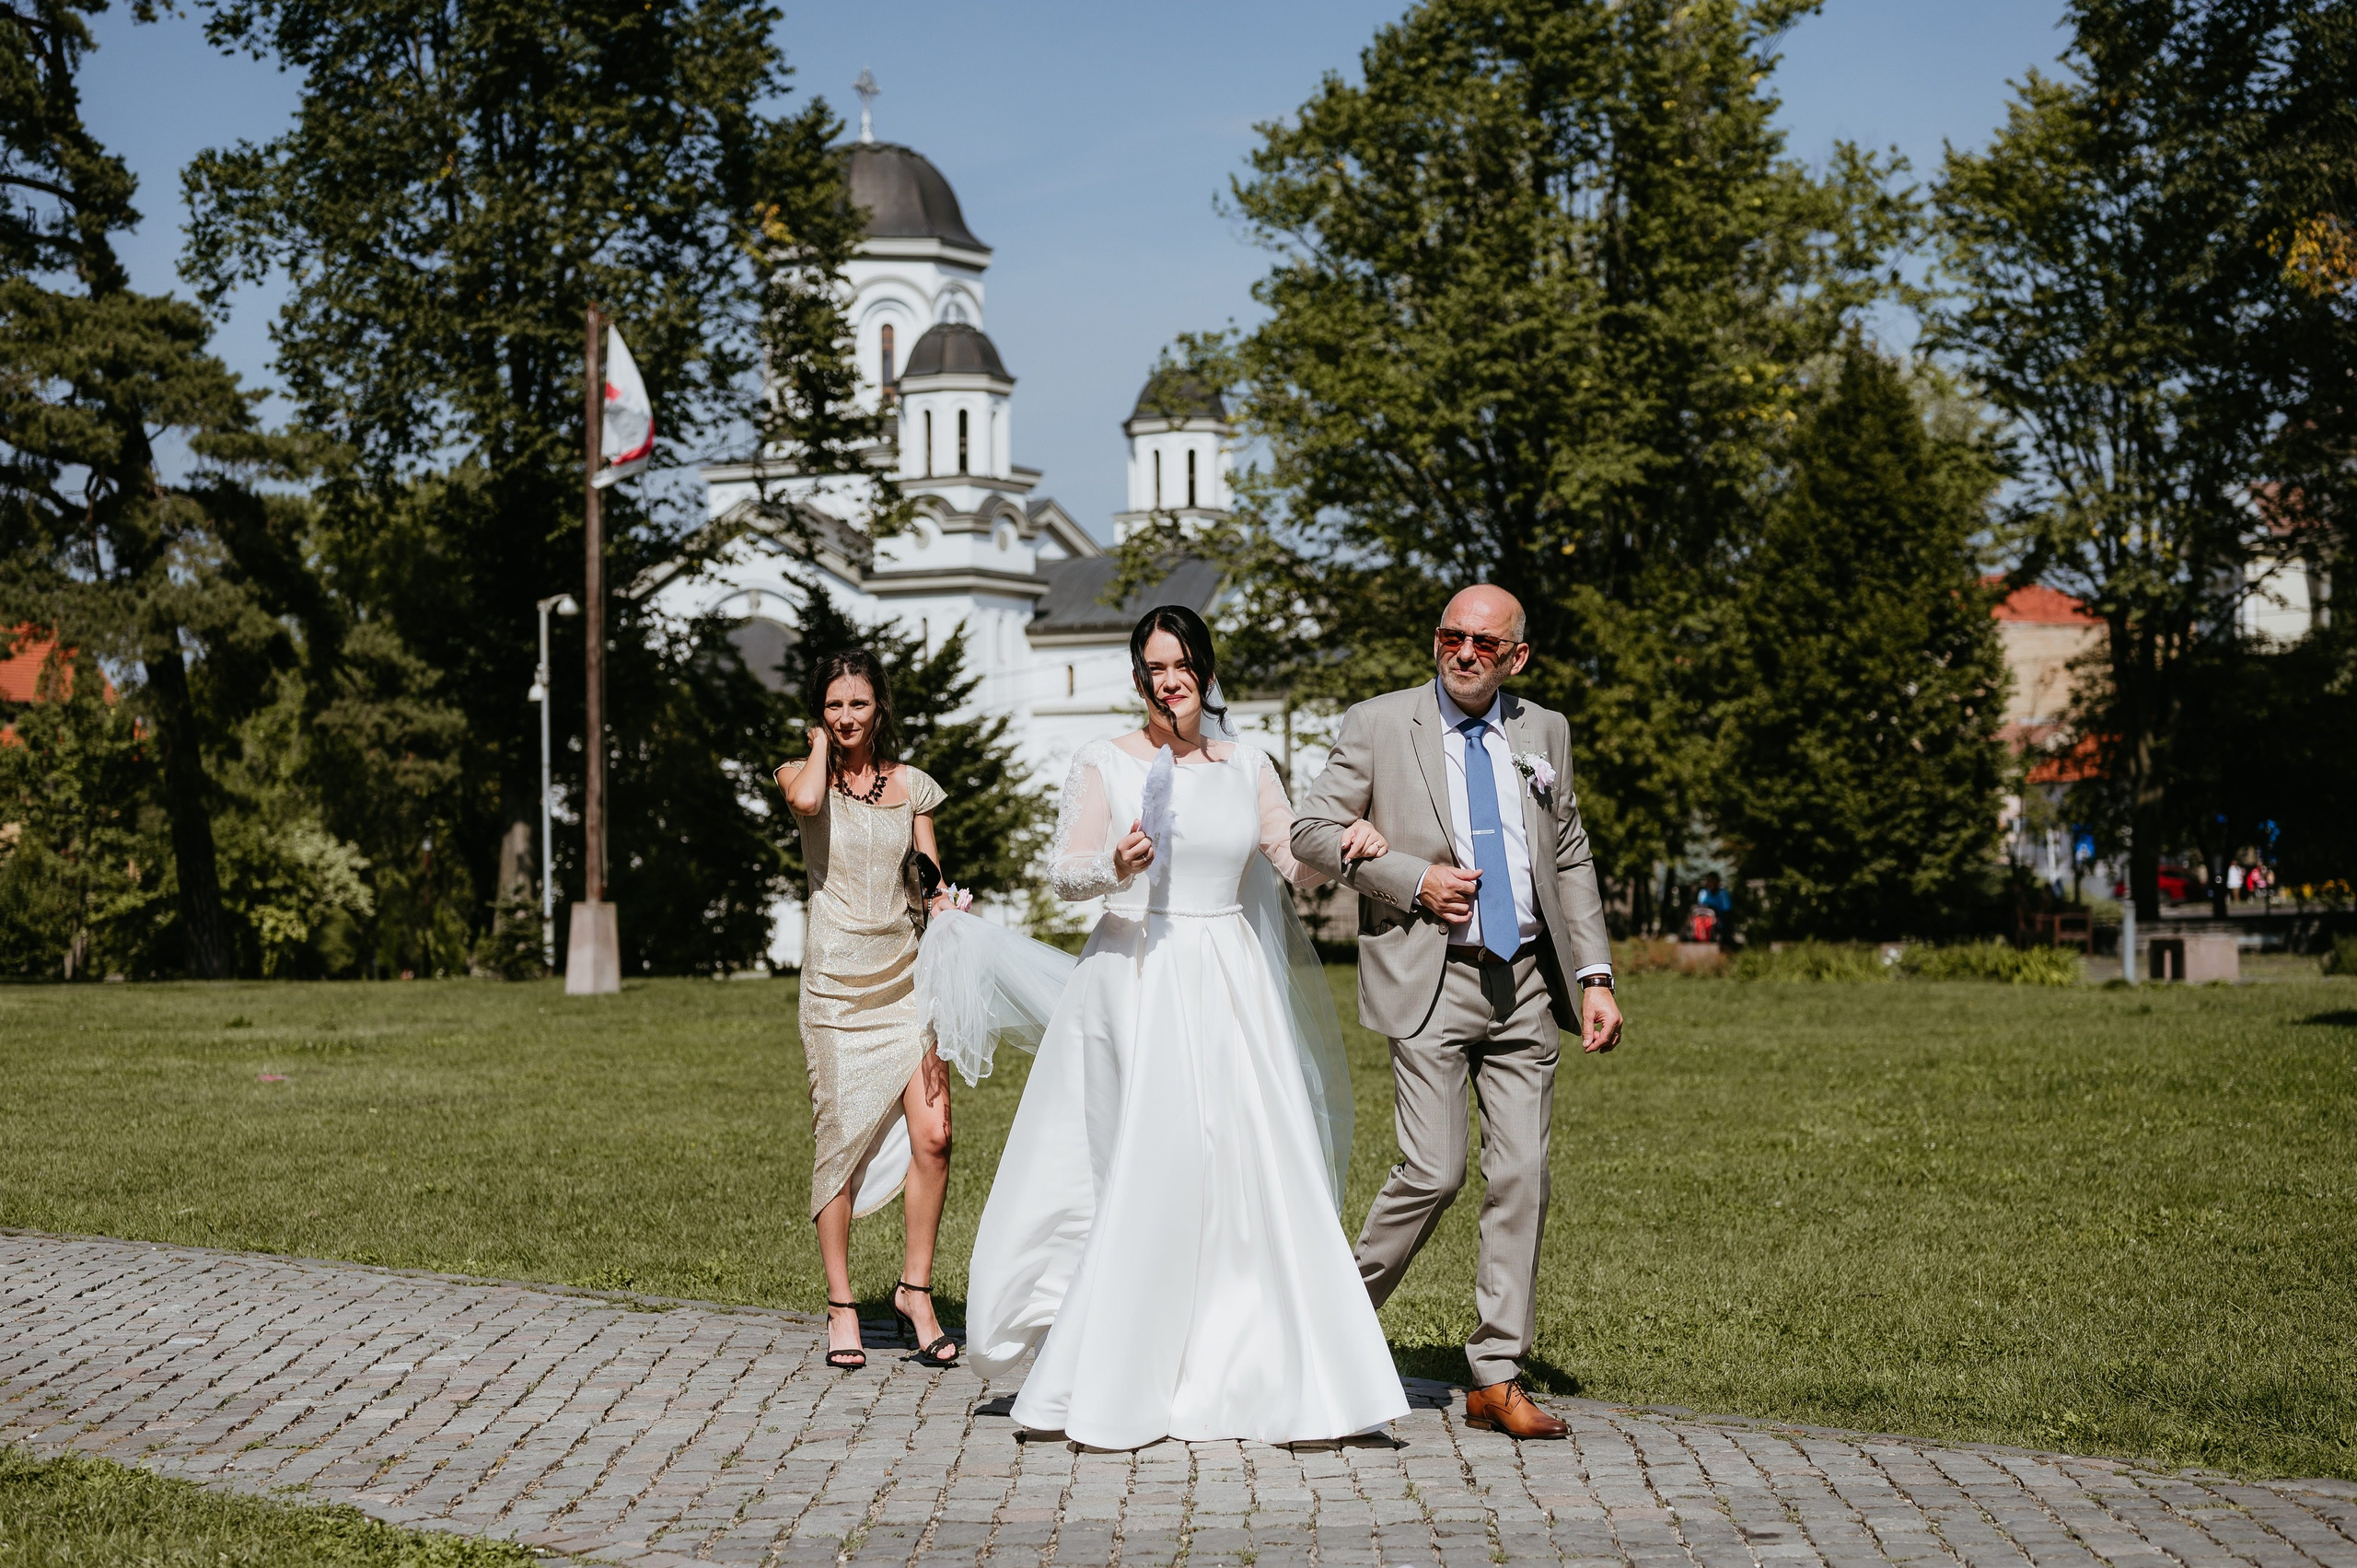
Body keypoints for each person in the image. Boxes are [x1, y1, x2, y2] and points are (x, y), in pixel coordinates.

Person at [959, 605, 1404, 1448]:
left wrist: (1349, 845)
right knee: (1148, 1163)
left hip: (1231, 977)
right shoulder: (1108, 763)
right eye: (1155, 667)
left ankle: (1264, 1366)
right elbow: (1063, 874)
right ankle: (1116, 1370)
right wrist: (1114, 863)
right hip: (1136, 978)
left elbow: (1289, 862)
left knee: (1248, 1161)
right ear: (1139, 679)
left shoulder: (1249, 765)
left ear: (1204, 669)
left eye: (1183, 664)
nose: (1171, 680)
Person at [1293, 584, 1623, 1442]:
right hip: (1426, 977)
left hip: (1525, 982)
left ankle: (1494, 1373)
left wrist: (1593, 974)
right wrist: (1408, 875)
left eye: (1484, 642)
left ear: (1517, 656)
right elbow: (1311, 831)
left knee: (1522, 1175)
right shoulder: (1379, 722)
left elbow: (1571, 851)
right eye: (1451, 635)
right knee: (1432, 1172)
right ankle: (1326, 1324)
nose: (1464, 652)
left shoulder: (1542, 731)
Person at [774, 649, 958, 1372]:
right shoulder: (799, 772)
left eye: (857, 704)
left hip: (905, 979)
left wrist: (946, 908)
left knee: (937, 1135)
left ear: (879, 706)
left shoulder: (911, 786)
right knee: (840, 1142)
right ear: (817, 712)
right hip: (835, 989)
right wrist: (818, 747)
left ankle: (915, 1290)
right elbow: (811, 804)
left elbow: (928, 876)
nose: (847, 717)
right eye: (833, 706)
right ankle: (842, 1302)